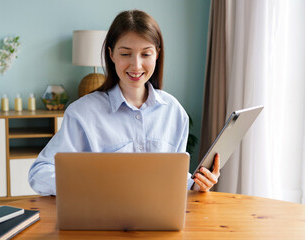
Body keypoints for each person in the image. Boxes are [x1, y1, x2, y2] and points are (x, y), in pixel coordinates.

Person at [28, 9, 220, 196]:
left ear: (157, 54)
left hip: (159, 222)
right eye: (125, 53)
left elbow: (174, 180)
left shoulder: (174, 112)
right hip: (102, 220)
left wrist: (196, 185)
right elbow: (40, 173)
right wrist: (87, 185)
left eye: (146, 54)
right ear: (111, 55)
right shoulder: (82, 112)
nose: (136, 65)